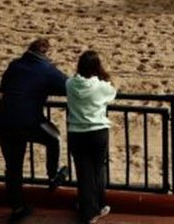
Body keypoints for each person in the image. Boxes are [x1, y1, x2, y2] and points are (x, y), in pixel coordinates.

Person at [0, 38, 69, 222]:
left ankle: (17, 207)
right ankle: (52, 176)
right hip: (28, 121)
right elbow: (67, 86)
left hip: (4, 121)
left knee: (13, 168)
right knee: (54, 138)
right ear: (45, 53)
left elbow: (4, 85)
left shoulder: (15, 65)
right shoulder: (47, 69)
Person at [67, 50, 117, 224]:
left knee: (83, 171)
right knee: (97, 169)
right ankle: (96, 206)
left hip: (76, 132)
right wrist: (104, 74)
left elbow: (71, 80)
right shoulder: (101, 86)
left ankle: (87, 206)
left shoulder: (70, 84)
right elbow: (112, 92)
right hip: (97, 131)